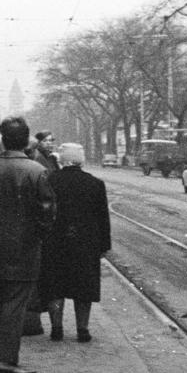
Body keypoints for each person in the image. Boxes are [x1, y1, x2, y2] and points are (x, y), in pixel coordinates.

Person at [0, 116, 55, 373]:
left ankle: (2, 357)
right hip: (24, 253)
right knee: (15, 308)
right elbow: (47, 215)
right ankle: (7, 361)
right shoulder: (38, 172)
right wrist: (36, 238)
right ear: (26, 140)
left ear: (3, 140)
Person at [42, 143, 112, 342]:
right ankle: (83, 329)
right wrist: (103, 246)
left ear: (61, 160)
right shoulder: (95, 184)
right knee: (84, 287)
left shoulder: (49, 181)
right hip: (85, 243)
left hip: (55, 242)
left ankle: (56, 328)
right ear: (81, 160)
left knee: (55, 286)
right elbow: (102, 218)